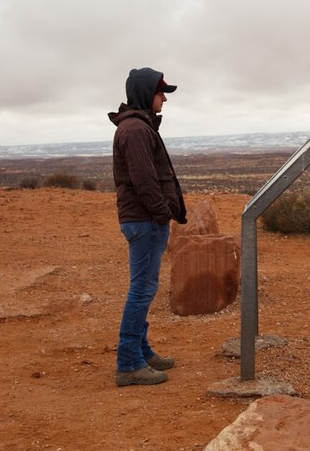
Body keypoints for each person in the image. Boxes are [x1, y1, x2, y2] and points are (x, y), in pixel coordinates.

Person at [108, 67, 187, 387]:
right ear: (145, 93)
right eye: (160, 93)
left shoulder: (138, 127)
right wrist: (160, 213)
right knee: (141, 290)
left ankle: (140, 351)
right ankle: (128, 363)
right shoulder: (136, 130)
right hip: (144, 221)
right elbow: (144, 180)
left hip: (143, 219)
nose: (164, 99)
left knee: (144, 288)